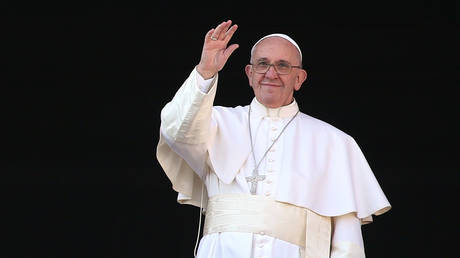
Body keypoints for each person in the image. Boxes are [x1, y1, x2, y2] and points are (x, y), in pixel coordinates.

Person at [156, 20, 391, 258]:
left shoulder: (335, 142)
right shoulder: (215, 122)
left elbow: (347, 242)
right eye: (262, 64)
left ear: (299, 78)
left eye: (283, 66)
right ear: (249, 73)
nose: (271, 73)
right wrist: (205, 71)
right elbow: (176, 131)